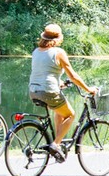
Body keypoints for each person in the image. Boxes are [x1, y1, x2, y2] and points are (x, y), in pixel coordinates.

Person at [29, 23, 97, 162]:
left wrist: (59, 83)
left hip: (33, 91)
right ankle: (55, 144)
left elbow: (44, 73)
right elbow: (73, 76)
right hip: (48, 92)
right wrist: (89, 89)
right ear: (57, 39)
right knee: (71, 115)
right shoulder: (58, 52)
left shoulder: (36, 51)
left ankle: (57, 144)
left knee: (59, 112)